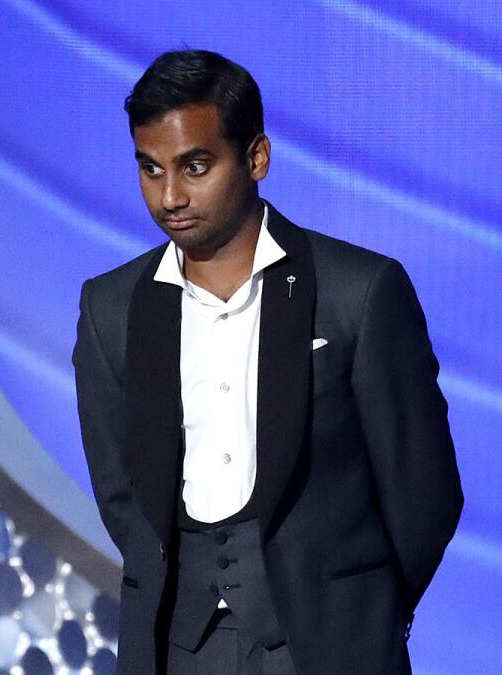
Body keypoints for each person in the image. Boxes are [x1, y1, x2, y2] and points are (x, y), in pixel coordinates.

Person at [73, 50, 461, 674]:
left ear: (256, 157)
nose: (170, 195)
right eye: (151, 169)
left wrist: (361, 606)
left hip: (332, 649)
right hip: (176, 647)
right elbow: (122, 495)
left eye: (194, 166)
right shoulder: (111, 307)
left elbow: (425, 494)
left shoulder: (357, 292)